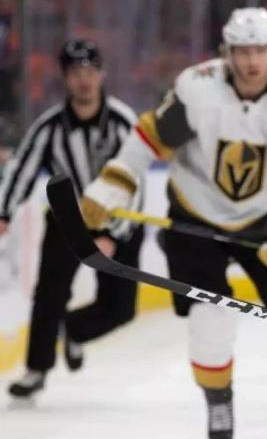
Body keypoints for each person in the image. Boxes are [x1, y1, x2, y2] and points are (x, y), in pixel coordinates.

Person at [77, 8, 267, 439]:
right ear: (228, 52)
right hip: (193, 215)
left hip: (263, 219)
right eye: (243, 51)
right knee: (211, 321)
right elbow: (148, 138)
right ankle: (219, 408)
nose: (252, 61)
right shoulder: (197, 88)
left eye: (261, 50)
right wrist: (109, 189)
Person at [0, 39, 144, 399]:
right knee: (49, 295)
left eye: (91, 72)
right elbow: (22, 170)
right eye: (76, 73)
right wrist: (3, 212)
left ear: (101, 75)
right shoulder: (50, 127)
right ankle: (36, 370)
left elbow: (136, 179)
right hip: (68, 222)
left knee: (121, 308)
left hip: (120, 220)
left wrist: (113, 232)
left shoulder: (123, 121)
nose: (85, 80)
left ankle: (73, 331)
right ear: (65, 78)